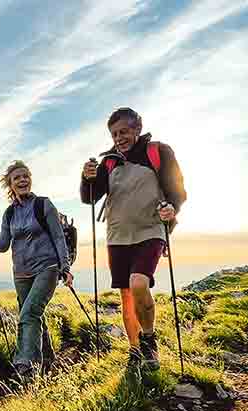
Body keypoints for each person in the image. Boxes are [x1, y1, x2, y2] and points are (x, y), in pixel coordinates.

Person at [80, 108, 186, 371]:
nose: (119, 138)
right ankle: (135, 350)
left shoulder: (158, 152)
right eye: (114, 134)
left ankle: (149, 339)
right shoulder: (109, 162)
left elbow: (177, 190)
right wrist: (87, 178)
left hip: (151, 230)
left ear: (137, 129)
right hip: (118, 235)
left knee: (138, 283)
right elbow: (89, 197)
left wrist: (172, 208)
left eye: (124, 132)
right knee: (126, 295)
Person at [0, 160, 74, 377]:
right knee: (34, 314)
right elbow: (3, 245)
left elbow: (59, 238)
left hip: (47, 267)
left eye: (26, 176)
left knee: (29, 313)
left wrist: (65, 267)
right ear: (10, 185)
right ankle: (47, 360)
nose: (22, 180)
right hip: (21, 273)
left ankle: (26, 366)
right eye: (17, 178)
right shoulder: (9, 214)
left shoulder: (44, 205)